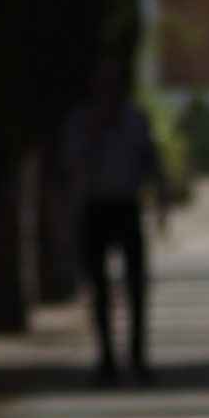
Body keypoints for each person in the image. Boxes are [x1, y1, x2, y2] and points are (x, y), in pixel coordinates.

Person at [65, 82, 161, 383]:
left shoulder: (135, 118)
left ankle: (138, 358)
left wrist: (161, 199)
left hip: (126, 206)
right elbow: (72, 163)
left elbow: (150, 159)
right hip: (95, 208)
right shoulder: (81, 121)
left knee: (136, 285)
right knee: (99, 288)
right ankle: (106, 358)